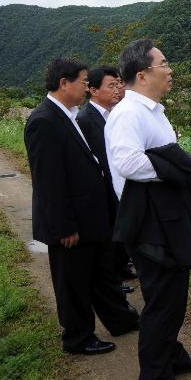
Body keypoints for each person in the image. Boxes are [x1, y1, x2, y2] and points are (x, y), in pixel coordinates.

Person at [105, 39, 191, 380]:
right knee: (163, 304)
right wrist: (182, 169)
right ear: (142, 74)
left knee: (170, 297)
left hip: (166, 218)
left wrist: (181, 164)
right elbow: (129, 164)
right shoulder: (129, 114)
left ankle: (172, 355)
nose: (170, 69)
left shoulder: (152, 111)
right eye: (164, 63)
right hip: (150, 225)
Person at [23, 58, 139, 356]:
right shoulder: (44, 120)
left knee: (101, 275)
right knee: (73, 283)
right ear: (64, 82)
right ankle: (77, 337)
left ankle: (121, 320)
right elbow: (48, 182)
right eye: (83, 81)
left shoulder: (67, 115)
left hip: (91, 217)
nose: (87, 87)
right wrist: (64, 226)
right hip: (71, 224)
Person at [76, 66, 135, 293]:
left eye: (118, 84)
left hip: (116, 186)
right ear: (93, 90)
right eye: (111, 85)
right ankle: (113, 283)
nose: (117, 89)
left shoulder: (113, 115)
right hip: (101, 189)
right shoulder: (86, 119)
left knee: (118, 234)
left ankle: (119, 273)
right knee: (109, 237)